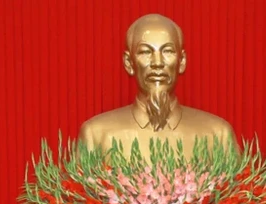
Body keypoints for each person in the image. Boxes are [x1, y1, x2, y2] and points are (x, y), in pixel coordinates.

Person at [78, 13, 237, 163]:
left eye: (167, 51)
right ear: (129, 63)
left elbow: (238, 191)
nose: (157, 63)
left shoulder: (218, 135)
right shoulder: (96, 135)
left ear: (181, 61)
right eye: (145, 52)